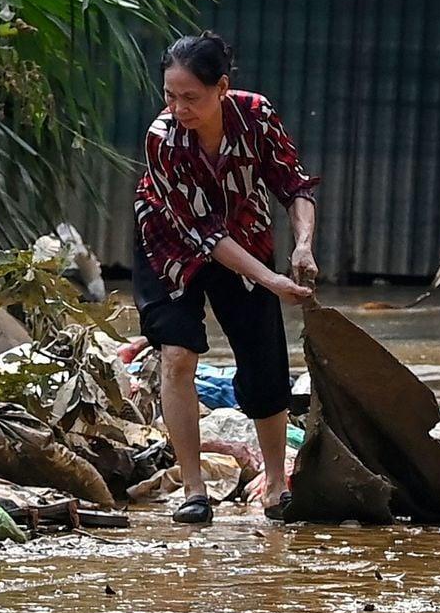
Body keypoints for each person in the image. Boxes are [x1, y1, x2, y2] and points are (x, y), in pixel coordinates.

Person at [133, 31, 319, 525]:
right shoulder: (162, 138)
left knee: (264, 362)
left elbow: (293, 183)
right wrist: (273, 282)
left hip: (247, 232)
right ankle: (194, 491)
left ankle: (277, 486)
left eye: (190, 97)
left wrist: (303, 244)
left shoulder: (256, 115)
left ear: (222, 88)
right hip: (169, 241)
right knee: (177, 354)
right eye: (170, 96)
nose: (178, 108)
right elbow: (204, 234)